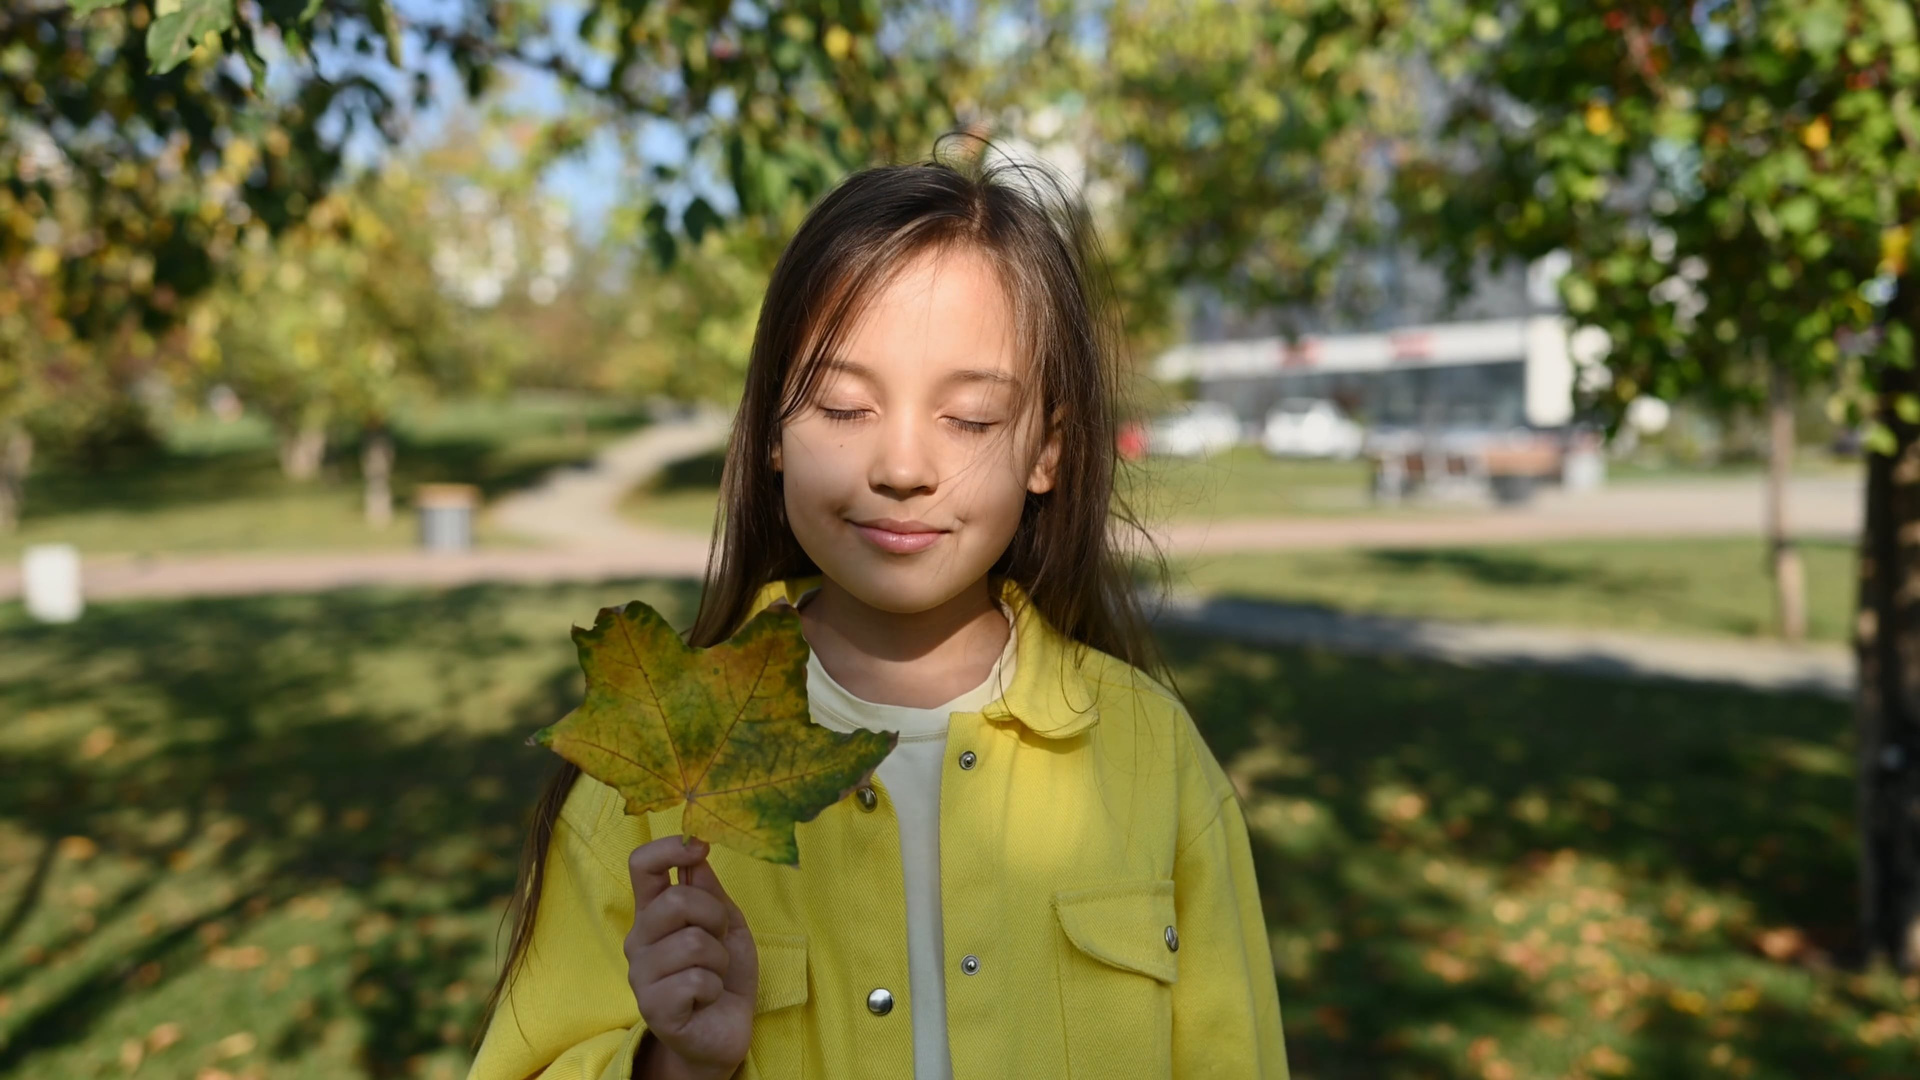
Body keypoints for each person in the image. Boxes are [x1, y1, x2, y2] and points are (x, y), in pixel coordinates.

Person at [467, 137, 1288, 1080]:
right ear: (773, 428)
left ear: (1047, 452)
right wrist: (677, 1066)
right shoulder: (648, 785)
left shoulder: (1155, 757)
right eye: (845, 408)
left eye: (971, 418)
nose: (902, 467)